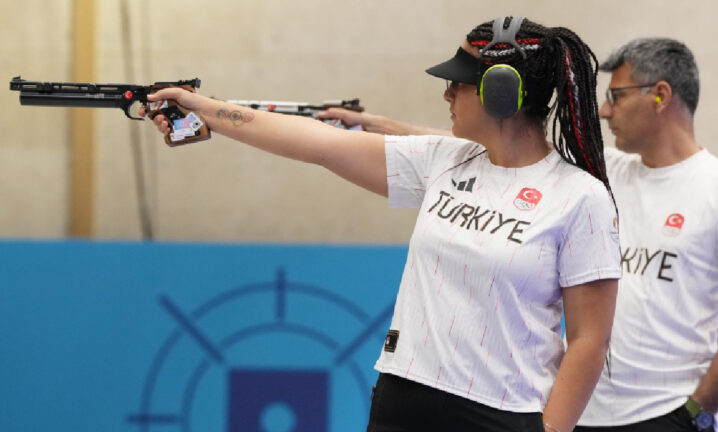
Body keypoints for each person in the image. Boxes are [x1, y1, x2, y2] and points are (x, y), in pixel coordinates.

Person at [146, 15, 621, 432]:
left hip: (503, 411)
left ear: (501, 91)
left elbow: (588, 339)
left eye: (457, 83)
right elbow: (316, 143)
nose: (446, 93)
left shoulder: (580, 198)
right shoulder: (445, 161)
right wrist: (202, 107)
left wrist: (552, 430)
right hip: (405, 399)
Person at [322, 37, 718, 432]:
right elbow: (459, 148)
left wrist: (697, 413)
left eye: (617, 95)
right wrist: (378, 125)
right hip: (576, 409)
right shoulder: (599, 174)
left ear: (661, 96)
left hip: (663, 414)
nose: (605, 109)